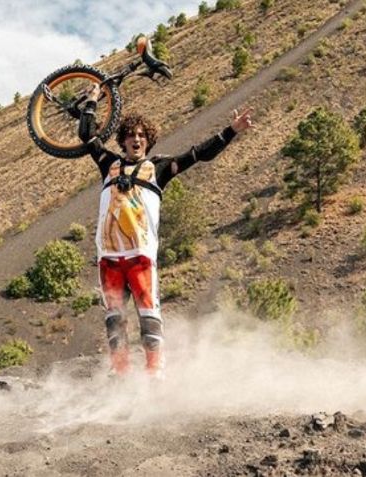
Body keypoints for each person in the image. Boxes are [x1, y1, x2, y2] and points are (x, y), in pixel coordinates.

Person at [77, 84, 252, 377]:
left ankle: (154, 372)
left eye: (142, 136)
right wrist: (93, 100)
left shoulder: (158, 167)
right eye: (131, 135)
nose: (136, 139)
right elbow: (87, 136)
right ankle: (120, 374)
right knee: (113, 319)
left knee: (148, 313)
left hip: (140, 255)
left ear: (149, 141)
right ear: (122, 140)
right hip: (108, 255)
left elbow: (197, 155)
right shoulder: (109, 163)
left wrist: (230, 131)